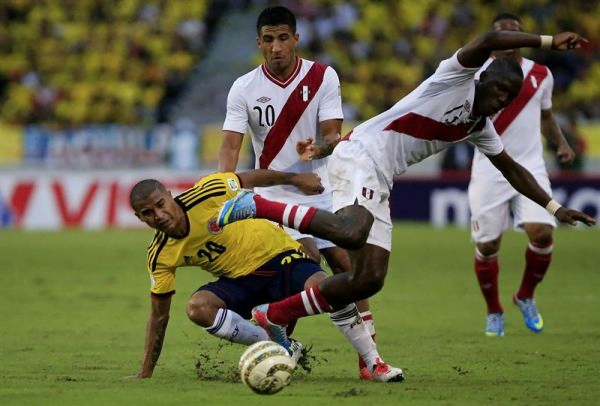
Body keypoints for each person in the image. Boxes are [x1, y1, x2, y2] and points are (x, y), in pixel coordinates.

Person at [216, 29, 596, 346]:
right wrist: (546, 41)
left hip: (382, 176)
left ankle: (276, 314)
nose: (501, 102)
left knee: (368, 278)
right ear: (483, 78)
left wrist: (554, 208)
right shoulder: (455, 77)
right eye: (499, 92)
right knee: (351, 233)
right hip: (362, 153)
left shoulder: (478, 128)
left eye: (508, 99)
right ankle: (260, 207)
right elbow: (492, 36)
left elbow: (513, 169)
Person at [217, 6, 377, 380]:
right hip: (277, 196)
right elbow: (229, 147)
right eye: (269, 39)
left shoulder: (323, 77)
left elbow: (333, 135)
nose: (276, 47)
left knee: (348, 269)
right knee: (303, 261)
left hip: (323, 188)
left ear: (296, 39)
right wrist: (223, 187)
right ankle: (279, 349)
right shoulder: (244, 87)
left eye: (283, 38)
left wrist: (318, 149)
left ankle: (368, 360)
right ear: (259, 42)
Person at [128, 170, 403, 382]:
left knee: (330, 289)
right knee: (197, 308)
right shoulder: (160, 254)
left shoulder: (207, 192)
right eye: (148, 213)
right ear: (140, 218)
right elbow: (159, 316)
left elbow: (250, 177)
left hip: (281, 258)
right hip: (240, 283)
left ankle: (373, 362)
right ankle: (277, 345)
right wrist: (146, 371)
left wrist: (294, 179)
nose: (159, 215)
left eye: (160, 204)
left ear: (168, 193)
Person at [468, 13, 578, 337]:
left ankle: (525, 296)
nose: (509, 40)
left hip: (530, 164)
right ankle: (493, 310)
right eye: (502, 35)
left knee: (542, 233)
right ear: (494, 40)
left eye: (515, 33)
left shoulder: (541, 74)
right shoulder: (477, 73)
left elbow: (545, 116)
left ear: (522, 36)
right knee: (487, 245)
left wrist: (561, 143)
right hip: (489, 167)